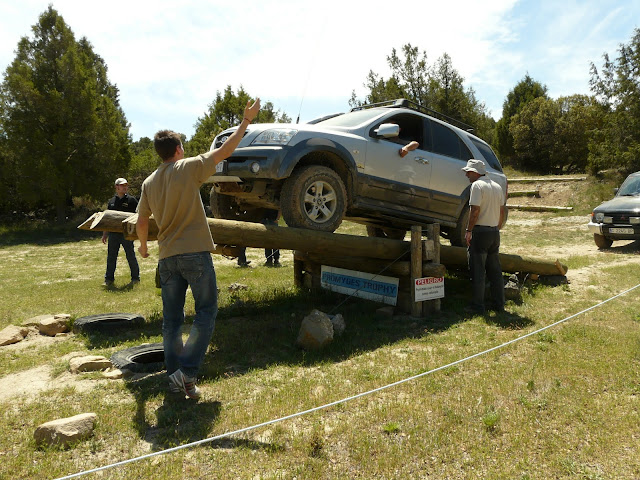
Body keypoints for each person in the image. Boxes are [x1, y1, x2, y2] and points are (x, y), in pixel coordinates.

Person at [136, 98, 261, 400]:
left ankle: (177, 379)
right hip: (194, 253)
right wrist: (246, 121)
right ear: (178, 149)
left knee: (172, 321)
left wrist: (142, 246)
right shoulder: (188, 168)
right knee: (206, 311)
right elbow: (224, 152)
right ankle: (187, 371)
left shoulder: (149, 182)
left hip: (166, 257)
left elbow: (141, 219)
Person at [462, 159, 506, 315]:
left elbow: (474, 211)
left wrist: (468, 230)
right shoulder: (497, 186)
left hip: (480, 232)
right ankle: (499, 304)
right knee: (495, 271)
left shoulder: (477, 186)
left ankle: (478, 306)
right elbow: (502, 211)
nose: (467, 174)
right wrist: (497, 226)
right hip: (494, 232)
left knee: (478, 271)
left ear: (475, 172)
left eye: (468, 172)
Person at [102, 178, 140, 287]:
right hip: (113, 234)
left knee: (130, 256)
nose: (125, 187)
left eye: (126, 185)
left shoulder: (132, 201)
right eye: (122, 185)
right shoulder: (111, 202)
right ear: (117, 187)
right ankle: (108, 279)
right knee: (111, 257)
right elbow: (107, 219)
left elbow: (138, 216)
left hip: (127, 234)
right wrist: (105, 234)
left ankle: (135, 279)